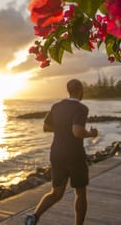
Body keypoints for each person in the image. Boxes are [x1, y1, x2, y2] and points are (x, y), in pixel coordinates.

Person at [24, 79, 98, 225]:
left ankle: (34, 217)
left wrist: (61, 129)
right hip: (74, 155)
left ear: (68, 90)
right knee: (80, 192)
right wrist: (91, 134)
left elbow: (46, 127)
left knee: (56, 193)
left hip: (56, 153)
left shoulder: (56, 106)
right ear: (81, 90)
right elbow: (77, 131)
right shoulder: (81, 108)